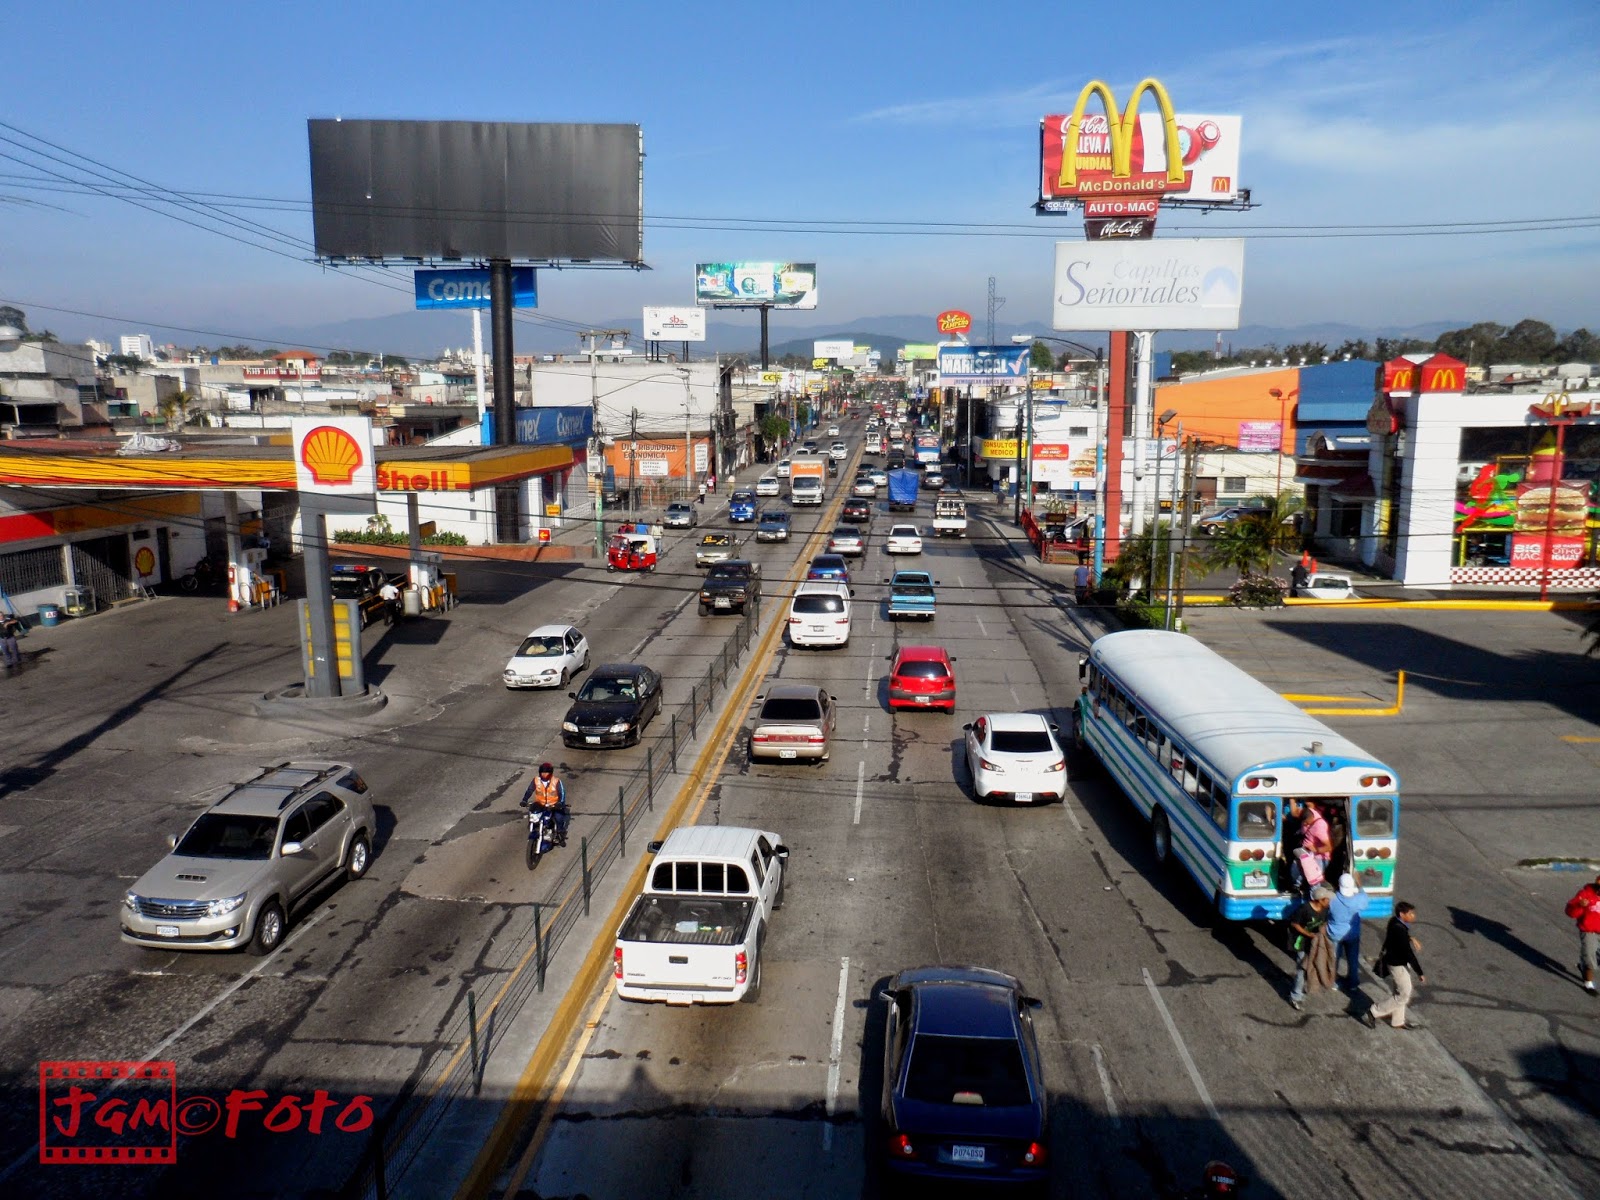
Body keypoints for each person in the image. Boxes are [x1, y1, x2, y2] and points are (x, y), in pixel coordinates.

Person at [1364, 901, 1425, 1029]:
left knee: (1400, 992)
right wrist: (1420, 972)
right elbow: (1409, 954)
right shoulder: (1400, 930)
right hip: (1398, 965)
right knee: (1403, 995)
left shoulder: (1394, 921)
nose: (1413, 916)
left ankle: (1398, 1021)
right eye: (1410, 913)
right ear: (1402, 914)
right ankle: (1374, 1011)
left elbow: (1398, 937)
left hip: (1394, 962)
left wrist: (1411, 938)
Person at [1286, 885, 1334, 1010]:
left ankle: (1303, 989)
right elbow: (1294, 924)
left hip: (1313, 944)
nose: (1329, 902)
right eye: (1327, 899)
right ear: (1320, 900)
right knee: (1302, 969)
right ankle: (1295, 996)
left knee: (1312, 967)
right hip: (1301, 943)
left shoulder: (1324, 910)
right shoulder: (1304, 909)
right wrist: (1309, 934)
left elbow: (1324, 922)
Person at [1328, 873, 1371, 992]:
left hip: (1335, 934)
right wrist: (1359, 882)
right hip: (1353, 934)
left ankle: (1333, 982)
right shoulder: (1358, 900)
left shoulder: (1332, 899)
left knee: (1334, 959)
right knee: (1353, 959)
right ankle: (1353, 983)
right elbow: (1365, 898)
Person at [1563, 873, 1600, 995]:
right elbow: (1570, 911)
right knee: (1589, 956)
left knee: (1594, 959)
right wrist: (1579, 905)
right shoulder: (1586, 894)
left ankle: (1583, 964)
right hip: (1589, 930)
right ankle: (1588, 982)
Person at [520, 762, 569, 847]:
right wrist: (524, 800)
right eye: (543, 772)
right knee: (532, 814)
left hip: (553, 805)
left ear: (550, 773)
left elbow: (562, 793)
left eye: (546, 772)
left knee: (559, 817)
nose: (544, 774)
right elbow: (529, 790)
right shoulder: (536, 780)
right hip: (540, 804)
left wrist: (560, 803)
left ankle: (560, 835)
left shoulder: (556, 781)